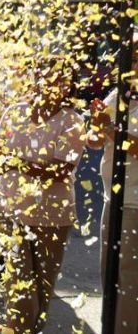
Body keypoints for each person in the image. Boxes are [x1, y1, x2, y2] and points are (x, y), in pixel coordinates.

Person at [0, 55, 85, 334]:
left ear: (69, 85)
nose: (51, 83)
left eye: (60, 78)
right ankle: (17, 328)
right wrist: (4, 158)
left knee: (43, 287)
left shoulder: (72, 120)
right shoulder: (15, 111)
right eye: (45, 76)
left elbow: (61, 169)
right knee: (17, 278)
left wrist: (16, 162)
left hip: (52, 215)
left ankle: (27, 328)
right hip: (11, 208)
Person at [88, 45, 138, 333]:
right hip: (113, 198)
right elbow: (96, 142)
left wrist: (110, 131)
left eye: (135, 59)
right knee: (110, 274)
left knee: (129, 281)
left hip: (134, 202)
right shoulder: (117, 96)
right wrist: (96, 126)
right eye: (128, 59)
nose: (130, 65)